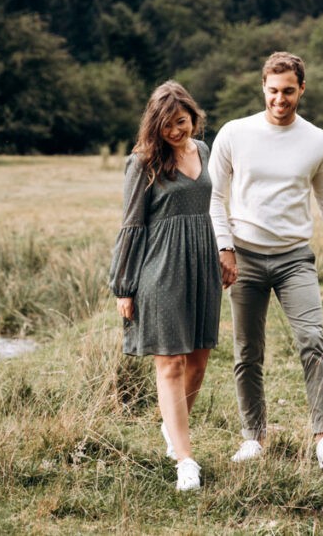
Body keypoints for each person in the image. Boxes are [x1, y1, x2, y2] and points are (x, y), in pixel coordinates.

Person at [209, 51, 323, 469]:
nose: (279, 99)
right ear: (262, 88)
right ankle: (253, 438)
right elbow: (214, 196)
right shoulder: (234, 133)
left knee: (313, 341)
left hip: (294, 259)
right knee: (247, 350)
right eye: (272, 91)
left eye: (288, 91)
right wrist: (224, 248)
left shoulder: (317, 141)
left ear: (302, 89)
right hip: (244, 256)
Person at [109, 81, 221, 492]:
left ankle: (172, 429)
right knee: (170, 362)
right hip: (160, 268)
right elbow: (131, 224)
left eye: (182, 121)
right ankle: (185, 460)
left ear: (193, 116)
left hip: (202, 264)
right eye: (167, 125)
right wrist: (124, 286)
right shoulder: (142, 162)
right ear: (154, 127)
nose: (176, 131)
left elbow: (217, 204)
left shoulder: (204, 151)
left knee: (200, 359)